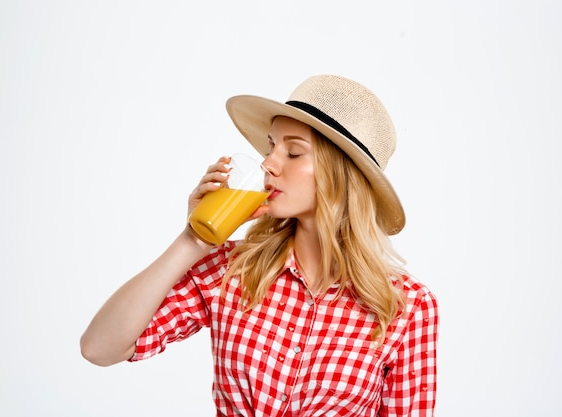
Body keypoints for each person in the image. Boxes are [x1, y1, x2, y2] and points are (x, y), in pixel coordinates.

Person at [80, 74, 438, 416]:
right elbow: (99, 348)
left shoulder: (407, 307)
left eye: (293, 153)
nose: (268, 163)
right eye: (271, 146)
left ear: (341, 175)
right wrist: (193, 240)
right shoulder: (233, 270)